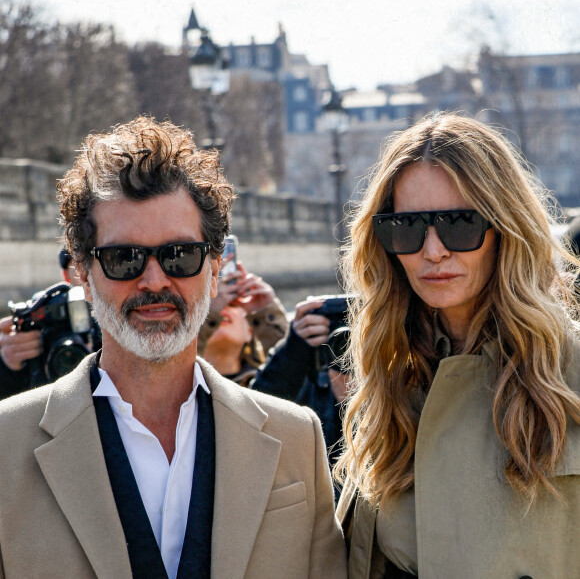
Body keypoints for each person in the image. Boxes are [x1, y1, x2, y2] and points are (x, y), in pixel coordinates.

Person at [0, 116, 346, 578]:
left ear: (216, 264)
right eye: (124, 258)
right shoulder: (6, 446)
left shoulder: (297, 438)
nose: (155, 280)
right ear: (81, 270)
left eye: (179, 255)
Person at [334, 112, 580, 578]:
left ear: (504, 228)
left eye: (459, 223)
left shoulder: (571, 372)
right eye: (407, 228)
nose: (433, 251)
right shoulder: (392, 384)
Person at [253, 296, 350, 468]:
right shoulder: (309, 373)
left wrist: (357, 406)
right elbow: (261, 411)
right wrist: (294, 348)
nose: (345, 349)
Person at [0, 246, 96, 398]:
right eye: (79, 268)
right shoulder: (44, 311)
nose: (88, 277)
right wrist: (8, 363)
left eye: (95, 266)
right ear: (66, 275)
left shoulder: (125, 319)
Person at [198, 262, 288, 386]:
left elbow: (293, 372)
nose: (222, 310)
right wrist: (207, 313)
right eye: (216, 303)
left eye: (232, 303)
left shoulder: (263, 384)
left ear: (250, 332)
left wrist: (265, 312)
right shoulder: (182, 388)